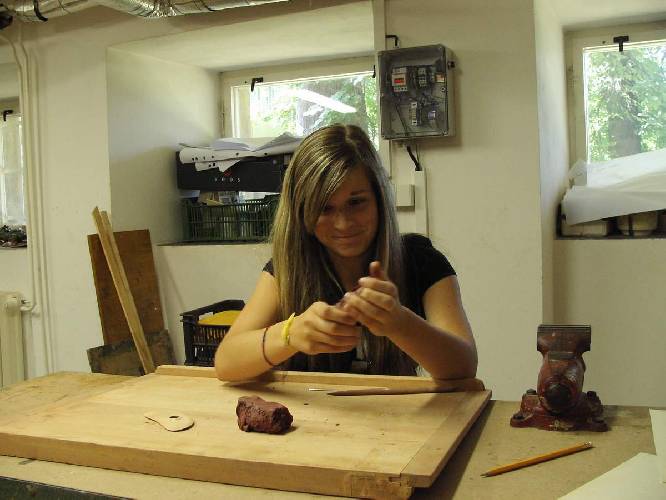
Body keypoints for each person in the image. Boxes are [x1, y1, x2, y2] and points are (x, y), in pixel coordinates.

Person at [214, 124, 477, 381]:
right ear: (301, 212)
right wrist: (290, 334)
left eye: (356, 202)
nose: (343, 223)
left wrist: (400, 323)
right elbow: (226, 363)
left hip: (395, 408)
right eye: (324, 208)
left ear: (379, 199)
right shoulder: (287, 270)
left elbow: (464, 367)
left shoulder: (421, 261)